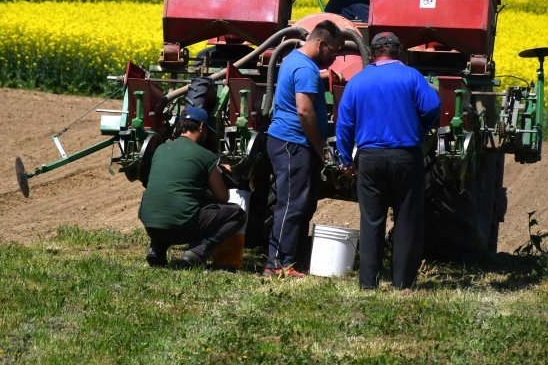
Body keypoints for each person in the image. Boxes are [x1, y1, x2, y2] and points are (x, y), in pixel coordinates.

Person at [335, 32, 440, 289]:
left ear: (371, 54)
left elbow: (344, 124)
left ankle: (369, 284)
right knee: (406, 218)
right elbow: (433, 107)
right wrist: (419, 128)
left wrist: (346, 158)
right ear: (399, 51)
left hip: (370, 158)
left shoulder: (357, 82)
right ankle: (402, 283)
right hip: (406, 155)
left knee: (371, 220)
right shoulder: (412, 76)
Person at [264, 20, 345, 277]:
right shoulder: (305, 69)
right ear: (321, 44)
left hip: (288, 141)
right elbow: (304, 110)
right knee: (291, 204)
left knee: (300, 203)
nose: (334, 58)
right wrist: (320, 145)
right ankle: (277, 265)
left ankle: (291, 260)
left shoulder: (294, 60)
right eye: (333, 51)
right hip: (293, 143)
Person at [138, 106, 245, 268]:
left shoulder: (160, 150)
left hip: (150, 225)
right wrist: (220, 173)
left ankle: (157, 249)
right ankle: (197, 252)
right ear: (201, 127)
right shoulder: (205, 156)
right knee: (236, 214)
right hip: (179, 228)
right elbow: (223, 197)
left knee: (169, 200)